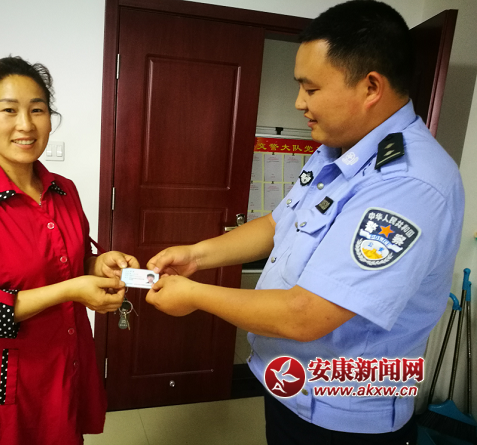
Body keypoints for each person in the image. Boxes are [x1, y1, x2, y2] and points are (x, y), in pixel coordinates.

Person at [145, 1, 464, 444]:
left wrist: (194, 295)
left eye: (310, 89)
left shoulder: (407, 183)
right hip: (290, 382)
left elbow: (306, 315)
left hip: (342, 413)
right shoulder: (338, 149)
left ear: (371, 86)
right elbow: (280, 224)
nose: (299, 103)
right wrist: (197, 255)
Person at [0, 56, 139, 445]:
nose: (26, 124)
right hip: (10, 380)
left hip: (68, 362)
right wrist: (71, 290)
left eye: (37, 110)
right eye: (9, 110)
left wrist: (99, 265)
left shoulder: (63, 189)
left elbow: (70, 263)